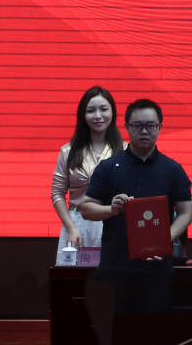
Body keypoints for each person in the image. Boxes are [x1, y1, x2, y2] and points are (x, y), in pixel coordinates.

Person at [80, 99, 192, 322]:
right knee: (117, 330)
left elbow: (186, 213)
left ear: (159, 127)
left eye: (151, 126)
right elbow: (86, 209)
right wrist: (111, 209)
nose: (144, 131)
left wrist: (164, 239)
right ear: (127, 127)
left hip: (157, 268)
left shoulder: (173, 169)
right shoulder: (109, 167)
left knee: (154, 330)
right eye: (137, 125)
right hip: (116, 266)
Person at [51, 86, 125, 260]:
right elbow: (57, 193)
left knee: (112, 275)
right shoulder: (68, 151)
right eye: (91, 111)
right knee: (72, 275)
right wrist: (70, 227)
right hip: (77, 223)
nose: (98, 116)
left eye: (104, 109)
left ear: (113, 112)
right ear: (83, 115)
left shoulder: (125, 151)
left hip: (113, 222)